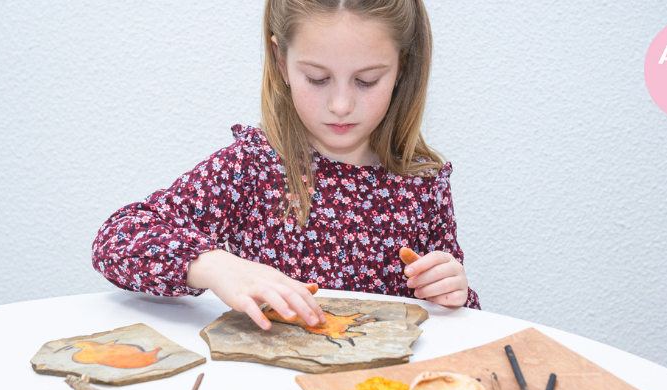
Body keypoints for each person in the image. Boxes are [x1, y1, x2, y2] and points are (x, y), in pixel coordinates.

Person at [92, 0, 481, 331]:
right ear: (281, 60)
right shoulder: (254, 165)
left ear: (402, 67)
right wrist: (215, 266)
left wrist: (453, 294)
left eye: (366, 80)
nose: (341, 104)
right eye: (317, 78)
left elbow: (459, 327)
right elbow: (117, 239)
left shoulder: (421, 185)